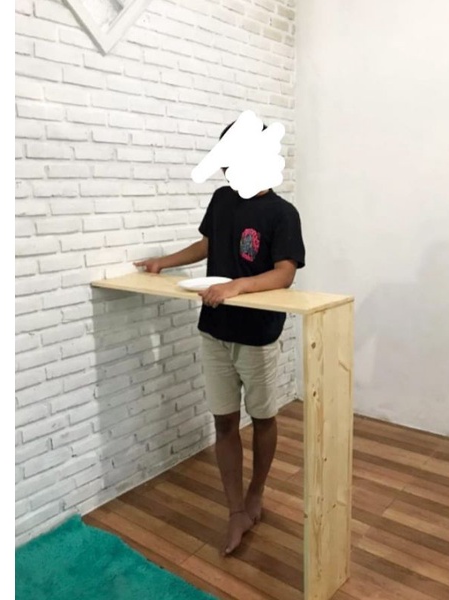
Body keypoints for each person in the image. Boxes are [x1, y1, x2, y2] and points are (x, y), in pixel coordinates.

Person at [134, 121, 306, 556]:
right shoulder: (222, 200)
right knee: (224, 421)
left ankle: (256, 493)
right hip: (214, 329)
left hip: (259, 334)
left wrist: (237, 286)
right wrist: (164, 262)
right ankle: (235, 511)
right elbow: (208, 245)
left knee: (263, 418)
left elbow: (285, 273)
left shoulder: (282, 213)